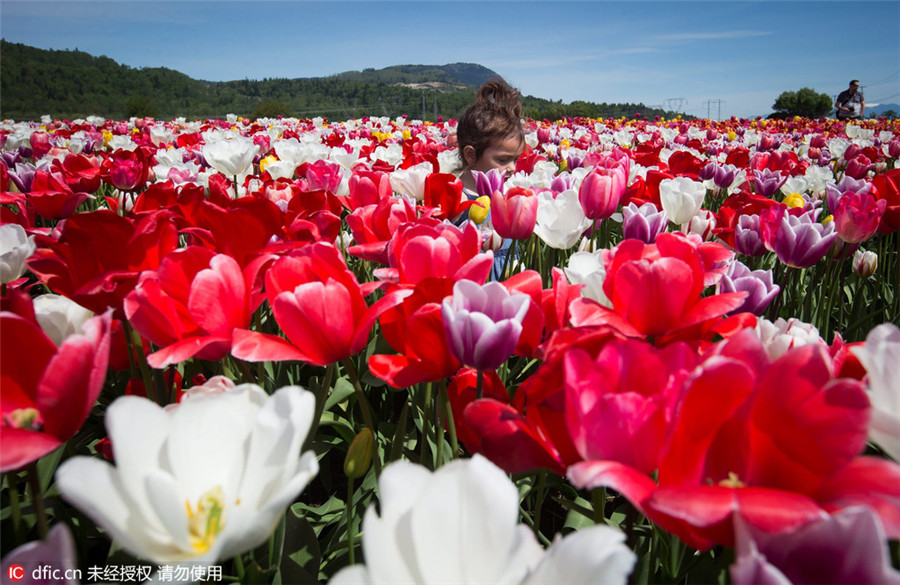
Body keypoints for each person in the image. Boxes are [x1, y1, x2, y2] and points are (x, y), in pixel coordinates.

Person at [454, 78, 525, 280]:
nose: (512, 168)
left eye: (516, 159)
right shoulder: (456, 198)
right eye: (503, 159)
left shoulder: (507, 195)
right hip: (475, 279)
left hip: (509, 274)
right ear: (471, 155)